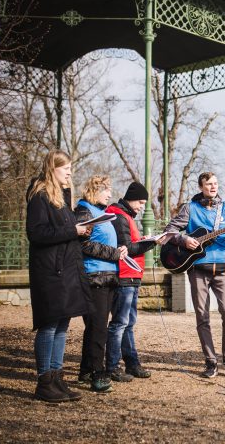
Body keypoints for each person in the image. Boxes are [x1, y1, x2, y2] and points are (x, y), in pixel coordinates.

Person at [164, 171, 225, 378]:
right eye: (209, 184)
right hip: (198, 267)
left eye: (215, 183)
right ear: (201, 186)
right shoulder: (190, 208)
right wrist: (184, 240)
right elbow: (170, 230)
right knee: (202, 316)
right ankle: (210, 361)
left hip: (224, 267)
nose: (213, 186)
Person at [26, 150, 92, 403]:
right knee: (49, 324)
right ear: (52, 168)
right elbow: (37, 234)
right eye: (66, 169)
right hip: (50, 272)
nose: (69, 173)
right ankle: (44, 382)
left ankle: (57, 378)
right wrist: (73, 230)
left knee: (62, 325)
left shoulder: (61, 198)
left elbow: (64, 231)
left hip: (66, 270)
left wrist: (81, 231)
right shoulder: (39, 196)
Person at [75, 176, 128, 393]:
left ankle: (86, 371)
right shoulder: (84, 211)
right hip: (94, 276)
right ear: (95, 190)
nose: (110, 194)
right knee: (98, 329)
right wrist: (114, 253)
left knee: (96, 327)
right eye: (106, 190)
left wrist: (120, 250)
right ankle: (98, 374)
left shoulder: (101, 213)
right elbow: (84, 245)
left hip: (107, 276)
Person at [104, 181, 157, 382]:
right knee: (120, 323)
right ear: (131, 198)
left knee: (128, 323)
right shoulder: (119, 216)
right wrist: (151, 242)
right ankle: (112, 366)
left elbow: (130, 244)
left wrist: (143, 241)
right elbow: (127, 249)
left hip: (132, 275)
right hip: (124, 276)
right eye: (140, 202)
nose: (142, 207)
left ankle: (132, 363)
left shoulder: (125, 216)